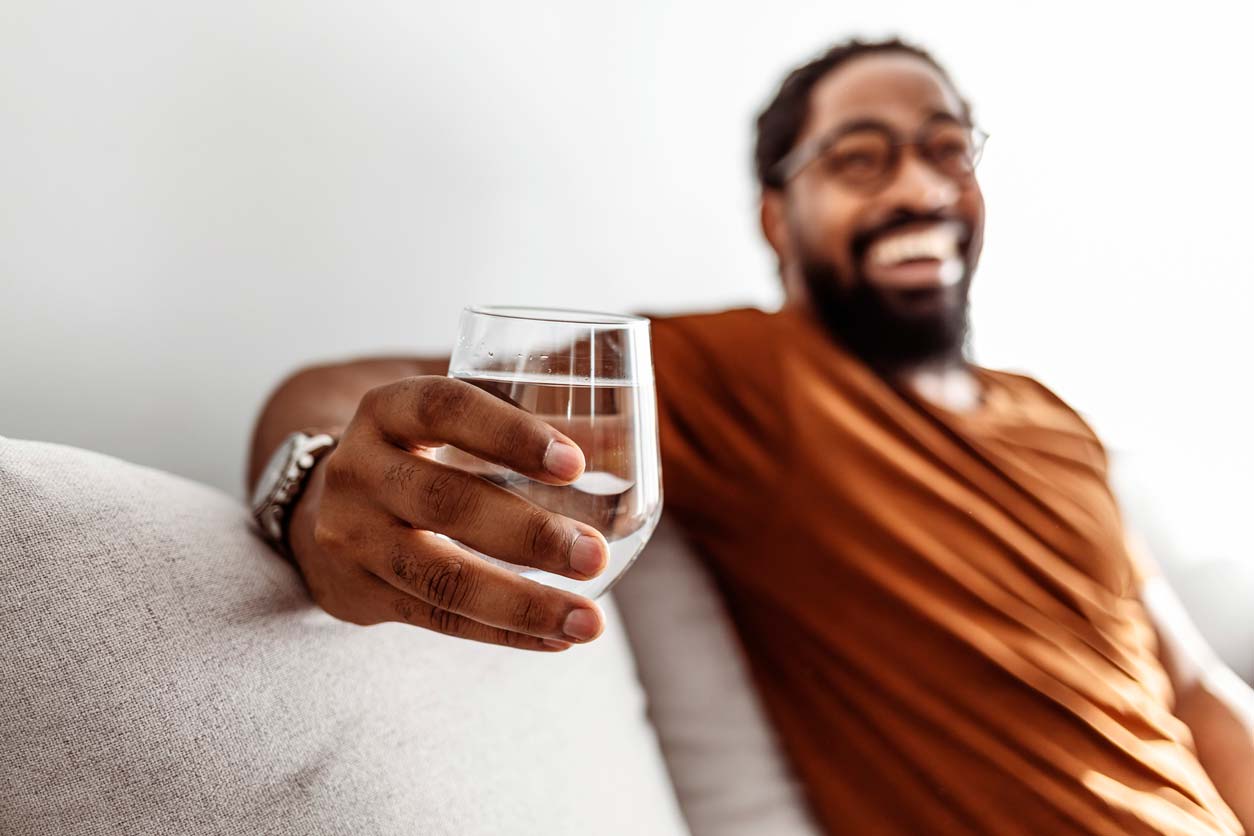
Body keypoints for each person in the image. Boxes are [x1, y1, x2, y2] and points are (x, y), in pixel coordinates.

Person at [247, 37, 1254, 835]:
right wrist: (317, 485)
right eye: (861, 157)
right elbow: (339, 389)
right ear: (778, 216)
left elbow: (1200, 688)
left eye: (950, 147)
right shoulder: (746, 373)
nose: (921, 189)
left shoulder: (1058, 418)